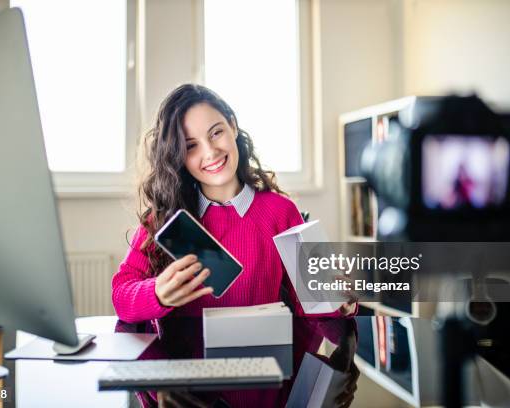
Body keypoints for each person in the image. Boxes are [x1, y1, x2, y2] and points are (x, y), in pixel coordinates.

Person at [112, 84, 356, 327]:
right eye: (190, 146)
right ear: (178, 155)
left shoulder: (281, 212)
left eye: (216, 133)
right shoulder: (165, 218)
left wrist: (338, 301)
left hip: (264, 357)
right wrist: (157, 293)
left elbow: (312, 307)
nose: (210, 152)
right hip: (184, 362)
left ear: (233, 126)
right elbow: (121, 297)